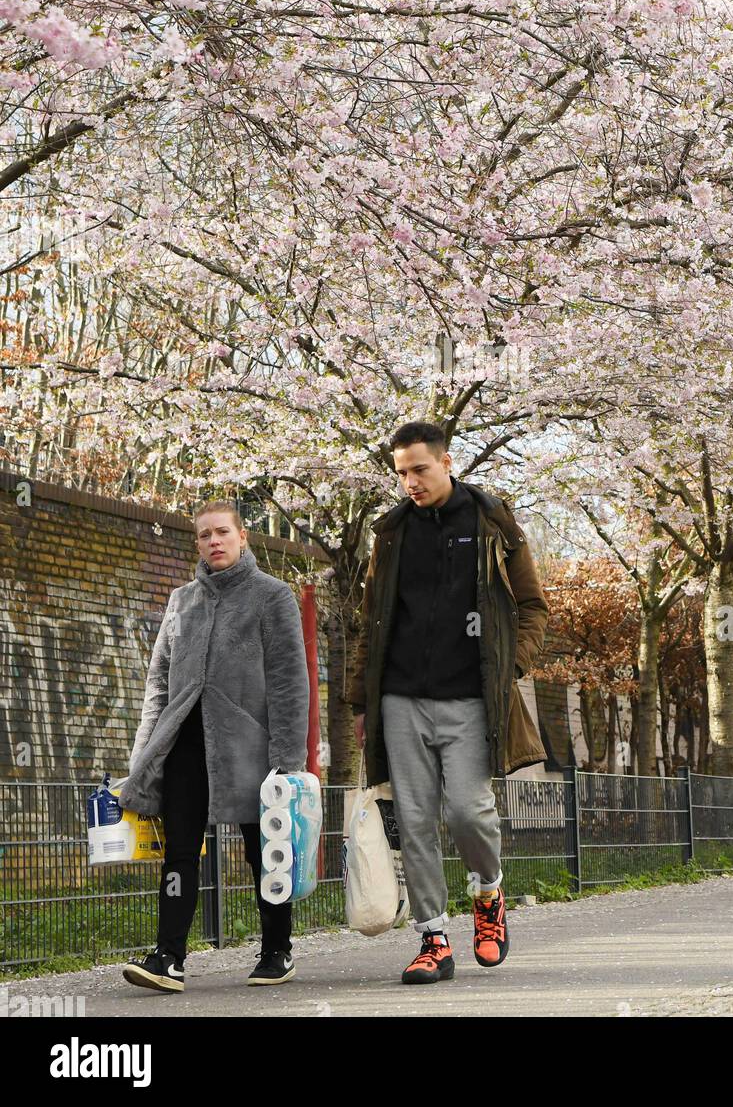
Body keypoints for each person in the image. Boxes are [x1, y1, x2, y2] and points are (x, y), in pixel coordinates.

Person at [345, 421, 548, 984]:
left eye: (419, 469)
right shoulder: (391, 534)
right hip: (400, 698)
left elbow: (532, 606)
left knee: (466, 810)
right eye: (401, 473)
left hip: (470, 700)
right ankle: (433, 938)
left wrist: (512, 665)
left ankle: (488, 893)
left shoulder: (491, 522)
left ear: (447, 462)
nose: (410, 482)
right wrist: (363, 701)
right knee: (413, 822)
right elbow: (371, 622)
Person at [118, 502, 310, 992]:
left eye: (222, 532)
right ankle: (168, 957)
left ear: (242, 537)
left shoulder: (273, 596)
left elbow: (290, 682)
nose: (214, 541)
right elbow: (158, 681)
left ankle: (276, 950)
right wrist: (145, 754)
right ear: (197, 543)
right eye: (204, 535)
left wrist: (287, 763)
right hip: (184, 744)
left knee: (264, 851)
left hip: (252, 748)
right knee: (180, 851)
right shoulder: (181, 600)